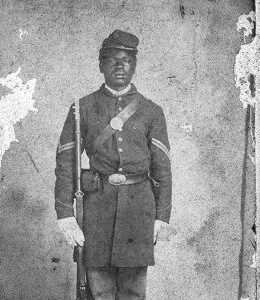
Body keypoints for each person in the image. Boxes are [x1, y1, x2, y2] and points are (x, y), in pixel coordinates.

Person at [55, 29, 172, 300]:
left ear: (135, 66)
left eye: (127, 60)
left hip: (138, 210)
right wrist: (65, 214)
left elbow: (162, 169)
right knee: (98, 290)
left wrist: (161, 216)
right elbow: (65, 164)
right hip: (96, 209)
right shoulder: (81, 108)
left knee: (133, 291)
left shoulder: (151, 111)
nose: (120, 66)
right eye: (112, 59)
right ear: (100, 64)